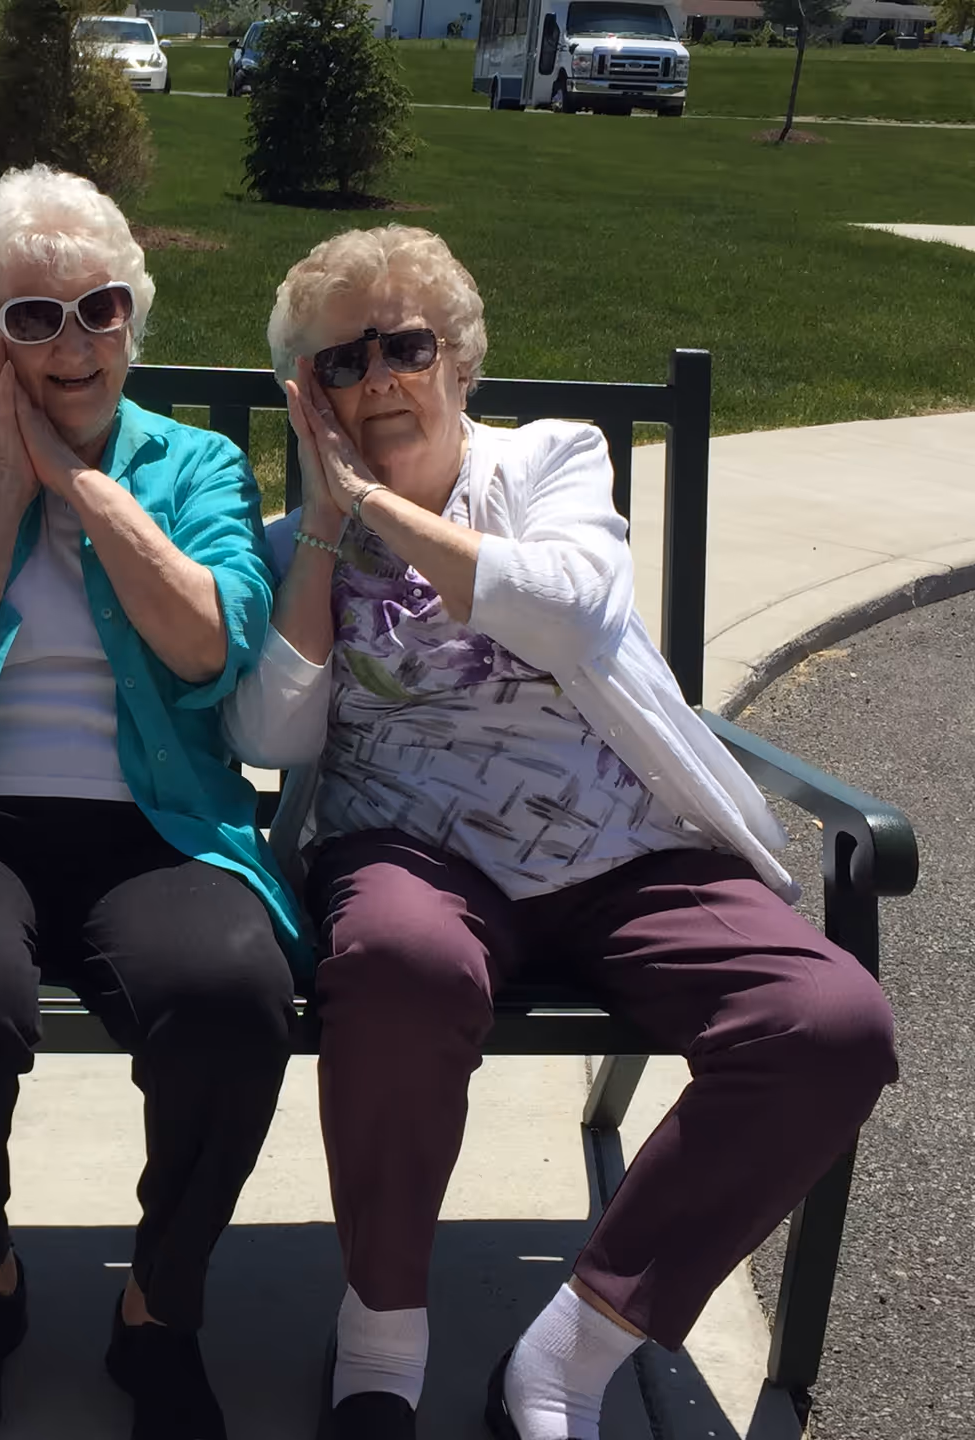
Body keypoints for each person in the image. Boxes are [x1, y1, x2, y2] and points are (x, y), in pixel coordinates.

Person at [222, 224, 899, 1440]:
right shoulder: (295, 547)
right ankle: (380, 1340)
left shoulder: (548, 462)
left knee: (828, 1026)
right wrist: (330, 528)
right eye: (342, 361)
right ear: (305, 395)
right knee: (395, 968)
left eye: (407, 345)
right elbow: (271, 735)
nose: (377, 376)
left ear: (462, 358)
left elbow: (576, 615)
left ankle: (568, 1358)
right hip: (412, 854)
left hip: (630, 849)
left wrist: (381, 501)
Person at [0, 164, 307, 1440]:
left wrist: (81, 488)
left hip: (158, 825)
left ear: (135, 317)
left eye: (98, 309)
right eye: (33, 317)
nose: (72, 342)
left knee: (231, 995)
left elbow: (211, 644)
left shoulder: (192, 464)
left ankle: (161, 1305)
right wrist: (8, 487)